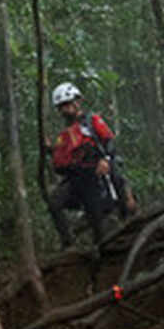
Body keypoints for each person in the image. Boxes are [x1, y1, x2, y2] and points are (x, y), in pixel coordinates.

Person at [45, 82, 137, 248]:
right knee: (55, 203)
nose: (64, 110)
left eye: (66, 105)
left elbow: (109, 141)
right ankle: (68, 243)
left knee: (98, 225)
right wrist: (50, 149)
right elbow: (63, 158)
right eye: (61, 107)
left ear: (76, 102)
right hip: (75, 179)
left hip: (93, 177)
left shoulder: (92, 121)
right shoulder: (65, 134)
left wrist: (106, 160)